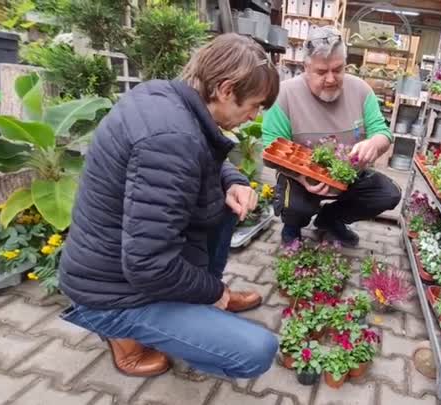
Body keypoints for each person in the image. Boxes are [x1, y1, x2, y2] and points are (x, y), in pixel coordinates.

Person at [58, 34, 280, 379]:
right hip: (111, 291)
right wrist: (214, 291)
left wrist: (234, 180)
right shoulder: (172, 139)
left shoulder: (165, 99)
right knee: (256, 353)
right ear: (224, 89)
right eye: (252, 105)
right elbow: (148, 264)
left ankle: (200, 305)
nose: (252, 116)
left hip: (114, 263)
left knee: (225, 208)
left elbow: (204, 156)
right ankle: (121, 332)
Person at [262, 26, 401, 247]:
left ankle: (330, 219)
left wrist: (374, 143)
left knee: (387, 194)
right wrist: (301, 177)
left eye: (338, 69)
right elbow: (270, 148)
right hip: (302, 177)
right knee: (295, 206)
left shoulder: (361, 90)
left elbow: (383, 132)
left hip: (348, 176)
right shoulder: (285, 95)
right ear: (306, 67)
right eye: (321, 71)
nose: (330, 79)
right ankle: (293, 225)